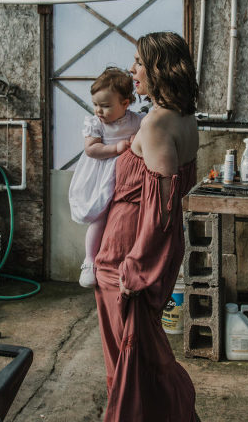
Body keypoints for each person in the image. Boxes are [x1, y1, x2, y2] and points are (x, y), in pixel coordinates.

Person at [94, 32, 200, 422]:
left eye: (138, 62)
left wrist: (135, 268)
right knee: (140, 355)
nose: (131, 70)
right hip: (141, 254)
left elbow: (161, 212)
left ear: (159, 68)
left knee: (127, 362)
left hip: (127, 258)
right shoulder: (184, 117)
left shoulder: (156, 124)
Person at [68, 67, 143, 288]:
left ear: (126, 103)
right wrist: (116, 148)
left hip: (125, 175)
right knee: (99, 217)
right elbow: (91, 149)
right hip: (101, 173)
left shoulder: (137, 120)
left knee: (122, 216)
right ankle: (89, 260)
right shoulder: (96, 123)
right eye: (96, 105)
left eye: (106, 106)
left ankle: (124, 260)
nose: (99, 110)